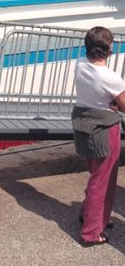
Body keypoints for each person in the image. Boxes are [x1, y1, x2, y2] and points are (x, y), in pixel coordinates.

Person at [71, 26, 125, 247]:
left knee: (95, 175)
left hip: (84, 126)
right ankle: (92, 232)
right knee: (103, 180)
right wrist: (114, 104)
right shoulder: (110, 78)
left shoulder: (80, 64)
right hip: (104, 131)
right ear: (109, 49)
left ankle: (92, 215)